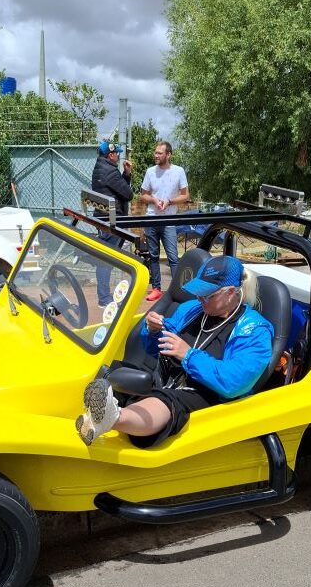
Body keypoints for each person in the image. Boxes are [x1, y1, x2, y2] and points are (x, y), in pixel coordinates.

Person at [75, 255, 273, 448]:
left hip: (210, 396)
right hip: (169, 379)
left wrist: (188, 355)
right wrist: (152, 331)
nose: (200, 298)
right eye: (199, 292)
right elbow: (157, 349)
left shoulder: (254, 331)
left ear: (231, 292)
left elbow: (233, 382)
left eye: (208, 295)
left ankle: (115, 418)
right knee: (120, 372)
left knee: (167, 400)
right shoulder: (193, 309)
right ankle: (92, 414)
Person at [140, 141, 189, 302]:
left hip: (169, 219)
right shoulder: (150, 172)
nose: (156, 155)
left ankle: (176, 290)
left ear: (168, 155)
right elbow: (143, 195)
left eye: (159, 153)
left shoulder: (179, 171)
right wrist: (154, 200)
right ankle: (156, 289)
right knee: (153, 255)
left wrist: (169, 201)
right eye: (155, 152)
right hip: (151, 218)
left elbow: (185, 195)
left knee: (173, 257)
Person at [91, 140, 133, 307]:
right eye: (117, 153)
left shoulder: (99, 167)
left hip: (102, 217)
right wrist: (127, 174)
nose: (119, 156)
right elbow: (128, 194)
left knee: (105, 258)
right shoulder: (111, 172)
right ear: (110, 155)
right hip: (112, 220)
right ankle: (103, 298)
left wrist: (125, 174)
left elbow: (118, 189)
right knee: (106, 260)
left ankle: (104, 295)